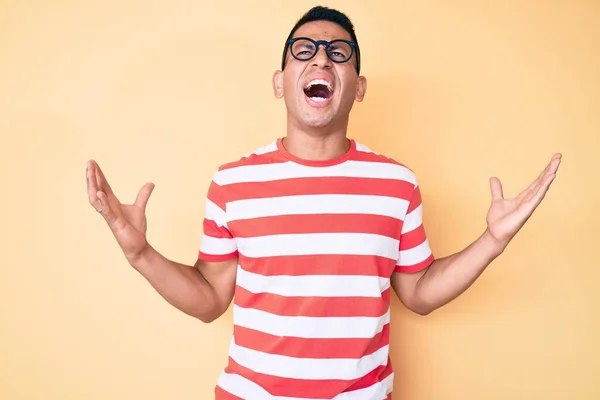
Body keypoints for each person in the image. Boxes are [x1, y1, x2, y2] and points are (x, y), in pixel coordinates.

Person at [85, 6, 561, 400]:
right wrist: (140, 254)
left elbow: (419, 293)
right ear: (279, 82)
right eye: (304, 52)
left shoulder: (396, 183)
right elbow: (210, 299)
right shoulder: (233, 182)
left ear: (358, 86)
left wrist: (493, 240)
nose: (321, 61)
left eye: (339, 53)